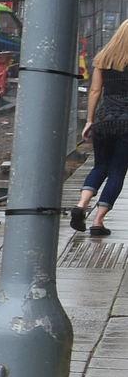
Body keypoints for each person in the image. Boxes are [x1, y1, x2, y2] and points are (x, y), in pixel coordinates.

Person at [80, 23, 128, 237]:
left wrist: (90, 120)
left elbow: (95, 91)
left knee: (100, 166)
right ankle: (98, 221)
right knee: (117, 171)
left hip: (104, 120)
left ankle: (81, 206)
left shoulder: (103, 59)